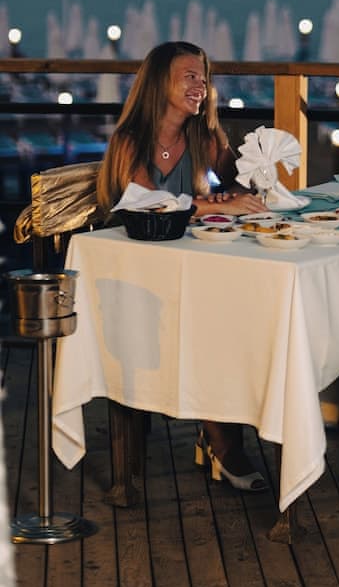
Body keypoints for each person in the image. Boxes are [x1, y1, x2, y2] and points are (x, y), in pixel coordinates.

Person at [97, 40, 269, 492]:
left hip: (190, 265)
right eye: (190, 76)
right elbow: (149, 203)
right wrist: (217, 205)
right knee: (212, 320)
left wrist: (243, 186)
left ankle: (224, 431)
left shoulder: (204, 137)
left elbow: (240, 186)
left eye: (203, 77)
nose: (201, 85)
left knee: (245, 308)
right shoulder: (129, 140)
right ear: (160, 83)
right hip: (133, 276)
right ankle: (223, 443)